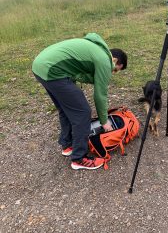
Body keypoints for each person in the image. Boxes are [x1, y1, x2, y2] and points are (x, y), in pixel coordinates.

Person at [32, 33, 127, 170]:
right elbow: (100, 95)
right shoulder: (105, 61)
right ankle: (79, 158)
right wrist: (104, 121)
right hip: (53, 71)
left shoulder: (96, 49)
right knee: (82, 112)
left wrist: (99, 79)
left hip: (40, 66)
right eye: (116, 70)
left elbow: (79, 73)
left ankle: (67, 144)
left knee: (66, 108)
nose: (112, 73)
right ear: (115, 60)